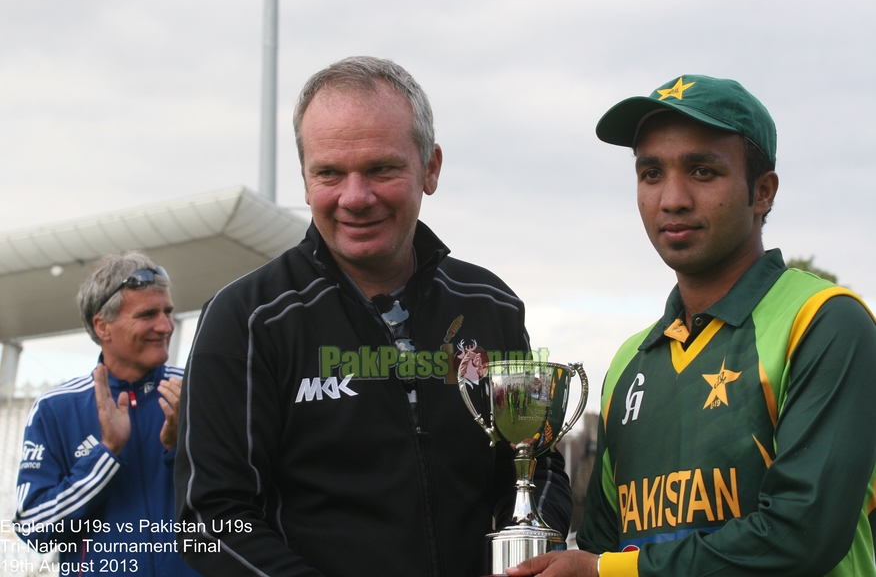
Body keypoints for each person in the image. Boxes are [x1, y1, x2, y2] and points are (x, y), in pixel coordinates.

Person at [174, 56, 572, 576]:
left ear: (430, 168)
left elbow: (533, 465)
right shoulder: (246, 321)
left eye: (382, 169)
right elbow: (210, 519)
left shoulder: (490, 305)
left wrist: (523, 551)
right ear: (304, 178)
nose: (355, 197)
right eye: (329, 173)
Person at [508, 75, 876, 577]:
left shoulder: (824, 321)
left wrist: (609, 571)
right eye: (651, 173)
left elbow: (801, 534)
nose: (672, 199)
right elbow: (599, 544)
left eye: (703, 171)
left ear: (762, 192)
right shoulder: (628, 362)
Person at [13, 251, 199, 576]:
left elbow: (245, 503)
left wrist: (182, 447)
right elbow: (33, 528)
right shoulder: (56, 409)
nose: (165, 325)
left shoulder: (200, 390)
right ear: (103, 326)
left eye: (168, 311)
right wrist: (106, 455)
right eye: (147, 314)